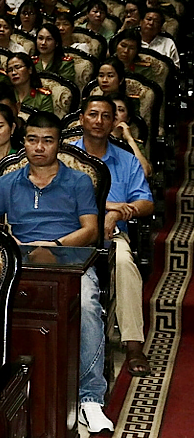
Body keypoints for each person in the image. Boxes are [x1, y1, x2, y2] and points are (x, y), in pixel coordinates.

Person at [0, 111, 114, 434]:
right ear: (23, 141)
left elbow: (91, 230)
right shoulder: (9, 180)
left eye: (47, 140)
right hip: (19, 262)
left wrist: (52, 244)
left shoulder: (79, 181)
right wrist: (7, 241)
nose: (39, 147)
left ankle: (90, 398)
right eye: (32, 140)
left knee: (86, 306)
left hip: (70, 263)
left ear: (58, 144)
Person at [74, 96, 154, 378]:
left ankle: (133, 345)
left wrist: (120, 214)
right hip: (73, 233)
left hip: (113, 235)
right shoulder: (65, 158)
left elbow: (146, 203)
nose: (99, 121)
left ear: (113, 123)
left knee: (124, 263)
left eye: (106, 116)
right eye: (93, 114)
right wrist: (108, 207)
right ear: (81, 119)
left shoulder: (126, 160)